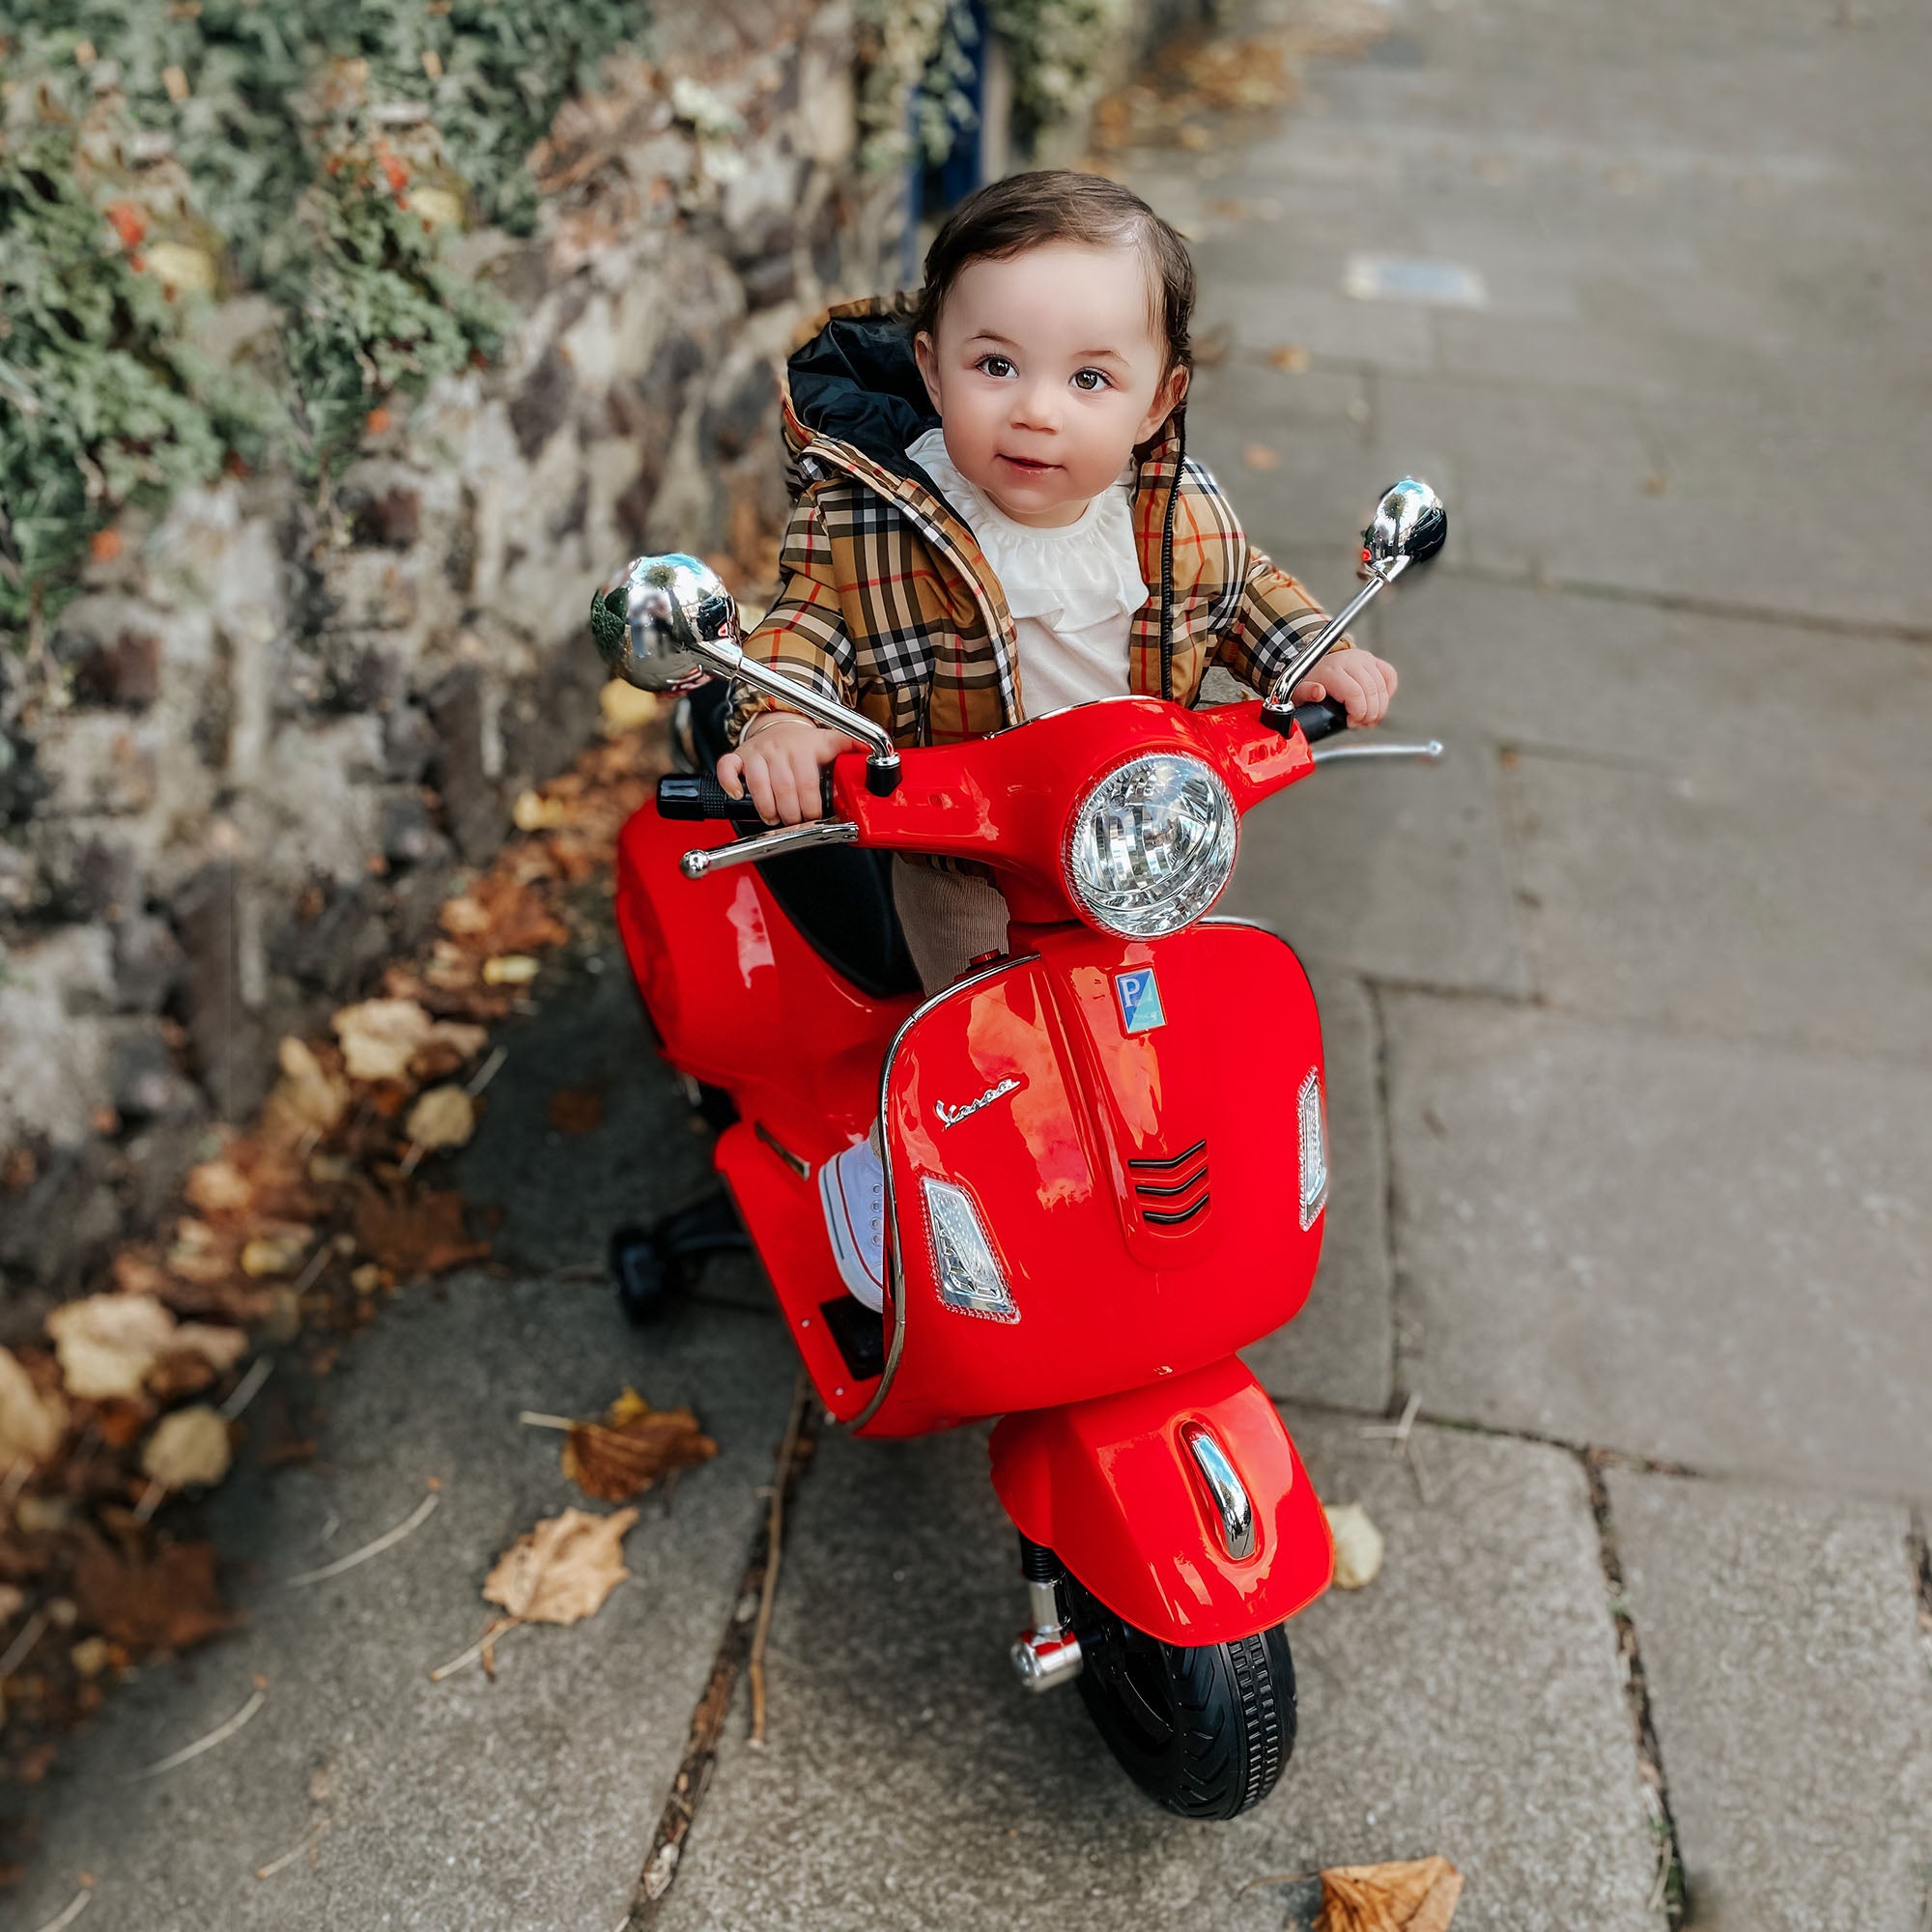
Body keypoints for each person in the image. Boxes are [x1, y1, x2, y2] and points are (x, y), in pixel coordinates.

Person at [713, 170, 1400, 1309]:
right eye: (995, 366)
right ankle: (895, 1183)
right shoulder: (872, 515)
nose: (1037, 408)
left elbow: (1239, 593)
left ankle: (1151, 1208)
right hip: (970, 854)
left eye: (1089, 377)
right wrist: (782, 711)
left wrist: (1306, 655)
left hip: (1133, 844)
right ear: (930, 366)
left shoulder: (1173, 512)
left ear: (1156, 400)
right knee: (989, 1053)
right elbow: (804, 620)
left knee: (1164, 1037)